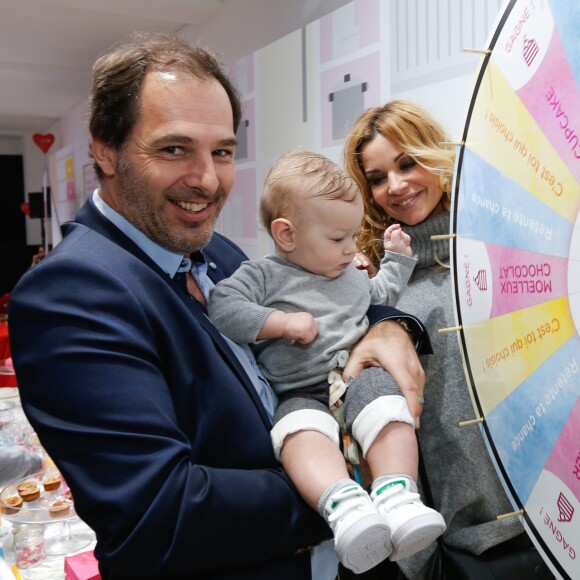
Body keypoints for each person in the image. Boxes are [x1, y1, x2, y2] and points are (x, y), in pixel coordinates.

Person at [8, 34, 431, 580]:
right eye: (173, 148)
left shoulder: (215, 252)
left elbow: (325, 294)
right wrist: (346, 485)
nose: (208, 180)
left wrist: (388, 327)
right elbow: (162, 513)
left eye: (223, 152)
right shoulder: (69, 293)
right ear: (105, 151)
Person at [343, 99, 553, 579]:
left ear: (434, 154)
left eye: (406, 162)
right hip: (477, 551)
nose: (395, 187)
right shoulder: (381, 298)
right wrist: (417, 561)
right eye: (376, 178)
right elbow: (387, 432)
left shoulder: (509, 253)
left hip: (559, 521)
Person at [208, 150, 445, 575]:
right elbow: (222, 306)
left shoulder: (350, 272)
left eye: (353, 236)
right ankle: (344, 505)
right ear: (286, 234)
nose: (351, 249)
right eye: (338, 239)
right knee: (297, 434)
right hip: (301, 391)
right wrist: (277, 322)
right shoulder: (262, 274)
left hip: (355, 378)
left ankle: (399, 495)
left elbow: (380, 295)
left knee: (389, 408)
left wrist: (398, 261)